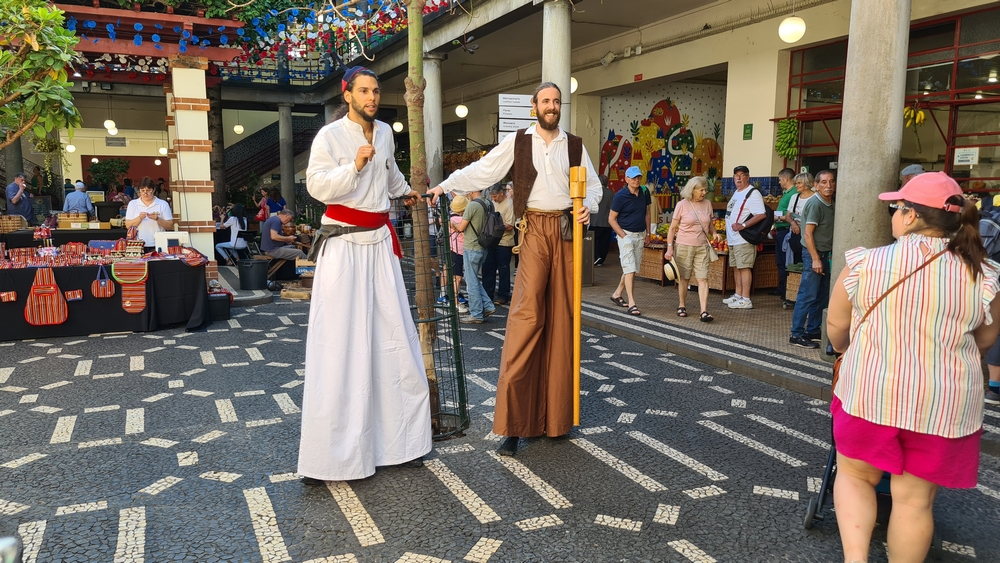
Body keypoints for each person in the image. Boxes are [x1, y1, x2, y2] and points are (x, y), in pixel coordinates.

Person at [826, 172, 1000, 563]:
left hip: (869, 392)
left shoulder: (864, 262)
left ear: (909, 215)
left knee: (855, 477)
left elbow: (837, 327)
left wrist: (843, 348)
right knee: (915, 502)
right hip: (944, 405)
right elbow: (985, 340)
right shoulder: (985, 275)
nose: (893, 214)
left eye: (895, 207)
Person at [428, 81, 603, 456]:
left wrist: (589, 205)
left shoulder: (574, 144)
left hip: (567, 232)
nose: (552, 106)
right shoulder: (519, 140)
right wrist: (444, 186)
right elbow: (483, 171)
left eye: (556, 101)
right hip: (536, 231)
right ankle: (514, 423)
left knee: (563, 322)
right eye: (546, 101)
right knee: (526, 320)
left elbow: (595, 188)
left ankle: (557, 419)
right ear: (534, 106)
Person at [298, 66, 430, 483]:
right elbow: (316, 187)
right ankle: (333, 457)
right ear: (347, 93)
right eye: (364, 91)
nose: (372, 97)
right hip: (343, 248)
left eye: (375, 91)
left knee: (393, 339)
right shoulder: (330, 136)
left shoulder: (387, 132)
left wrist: (406, 191)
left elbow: (390, 175)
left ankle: (401, 444)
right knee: (339, 345)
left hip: (380, 247)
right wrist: (353, 167)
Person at [789, 170, 836, 348]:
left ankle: (813, 329)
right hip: (813, 254)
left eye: (831, 181)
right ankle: (797, 333)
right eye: (823, 182)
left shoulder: (831, 202)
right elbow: (808, 234)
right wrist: (815, 259)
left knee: (821, 295)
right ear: (816, 185)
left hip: (825, 254)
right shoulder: (816, 204)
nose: (828, 185)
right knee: (807, 294)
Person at [664, 176, 720, 322]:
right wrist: (670, 248)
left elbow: (710, 224)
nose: (704, 193)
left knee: (703, 279)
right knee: (684, 278)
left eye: (705, 190)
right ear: (692, 190)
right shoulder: (682, 205)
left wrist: (714, 233)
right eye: (701, 190)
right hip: (684, 246)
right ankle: (682, 305)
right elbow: (672, 229)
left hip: (702, 247)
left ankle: (704, 311)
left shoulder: (707, 204)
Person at [609, 166, 651, 316]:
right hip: (625, 234)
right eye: (633, 178)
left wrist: (648, 233)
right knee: (631, 269)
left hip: (640, 234)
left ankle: (617, 294)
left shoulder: (645, 192)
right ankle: (632, 303)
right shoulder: (620, 196)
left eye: (638, 177)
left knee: (631, 268)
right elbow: (611, 219)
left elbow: (647, 213)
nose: (636, 180)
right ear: (626, 179)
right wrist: (623, 236)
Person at [723, 165, 767, 309]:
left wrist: (743, 225)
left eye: (742, 175)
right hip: (733, 238)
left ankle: (746, 299)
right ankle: (738, 295)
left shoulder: (752, 193)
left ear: (748, 177)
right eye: (736, 175)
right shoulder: (737, 192)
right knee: (736, 267)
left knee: (744, 267)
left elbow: (761, 214)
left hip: (743, 238)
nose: (739, 178)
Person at [452, 188, 496, 324]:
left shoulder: (472, 205)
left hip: (471, 246)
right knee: (473, 279)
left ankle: (476, 313)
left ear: (471, 190)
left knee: (471, 282)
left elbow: (461, 227)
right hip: (483, 245)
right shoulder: (488, 203)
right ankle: (488, 305)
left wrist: (452, 223)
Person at [482, 183, 516, 306]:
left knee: (503, 269)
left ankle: (503, 295)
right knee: (488, 268)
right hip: (492, 240)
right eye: (492, 196)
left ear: (502, 193)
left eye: (495, 196)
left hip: (504, 242)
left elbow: (510, 225)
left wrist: (495, 226)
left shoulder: (509, 204)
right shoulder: (494, 203)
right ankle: (487, 294)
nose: (493, 199)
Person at [124, 177, 173, 249]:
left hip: (158, 243)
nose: (145, 193)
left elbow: (170, 226)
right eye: (142, 190)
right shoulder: (133, 204)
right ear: (139, 191)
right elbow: (128, 226)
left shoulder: (163, 204)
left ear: (153, 190)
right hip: (138, 244)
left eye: (148, 190)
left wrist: (157, 219)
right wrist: (139, 218)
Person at [772, 168, 797, 299]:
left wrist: (777, 218)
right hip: (780, 230)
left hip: (786, 231)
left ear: (786, 179)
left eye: (780, 180)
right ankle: (782, 288)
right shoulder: (787, 193)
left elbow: (790, 214)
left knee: (785, 261)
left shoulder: (793, 194)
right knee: (780, 261)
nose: (780, 182)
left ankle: (785, 290)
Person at [443, 195, 470, 313]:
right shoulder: (461, 220)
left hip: (453, 249)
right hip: (460, 250)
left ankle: (453, 300)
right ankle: (456, 303)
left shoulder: (450, 218)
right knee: (457, 278)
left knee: (455, 277)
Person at [590, 174, 615, 266]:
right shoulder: (611, 193)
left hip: (595, 221)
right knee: (604, 242)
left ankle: (595, 257)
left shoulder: (595, 192)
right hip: (608, 222)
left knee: (591, 241)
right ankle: (600, 259)